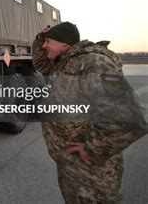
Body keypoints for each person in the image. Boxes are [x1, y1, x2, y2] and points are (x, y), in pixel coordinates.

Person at [32, 21, 147, 203]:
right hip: (72, 167)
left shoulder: (94, 64)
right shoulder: (64, 62)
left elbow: (128, 118)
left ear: (64, 43)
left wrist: (92, 150)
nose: (44, 45)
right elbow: (40, 64)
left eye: (48, 41)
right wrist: (40, 39)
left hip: (92, 174)